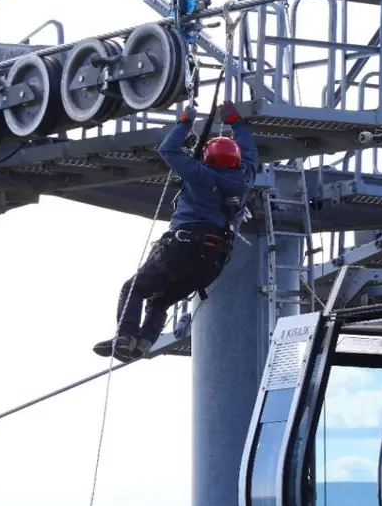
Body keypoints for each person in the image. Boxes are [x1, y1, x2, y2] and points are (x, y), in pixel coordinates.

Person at [93, 100, 259, 363]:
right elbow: (249, 150)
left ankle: (125, 337)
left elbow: (168, 149)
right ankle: (144, 343)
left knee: (133, 289)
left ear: (208, 157)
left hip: (184, 248)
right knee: (159, 301)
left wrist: (185, 121)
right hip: (212, 263)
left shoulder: (198, 174)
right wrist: (234, 121)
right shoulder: (246, 176)